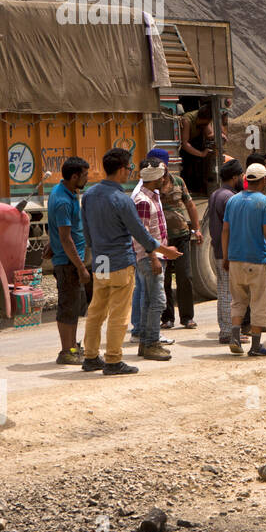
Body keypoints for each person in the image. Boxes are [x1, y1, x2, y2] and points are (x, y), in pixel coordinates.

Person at [81, 148, 180, 375]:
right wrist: (165, 250)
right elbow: (142, 235)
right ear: (121, 169)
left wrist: (97, 250)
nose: (130, 173)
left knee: (96, 310)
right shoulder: (121, 200)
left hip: (101, 260)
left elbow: (87, 232)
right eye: (129, 168)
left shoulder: (90, 195)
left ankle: (91, 356)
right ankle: (114, 360)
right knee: (119, 313)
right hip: (120, 262)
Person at [221, 163, 266, 356]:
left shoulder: (233, 201)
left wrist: (225, 257)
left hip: (235, 259)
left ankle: (235, 338)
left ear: (246, 179)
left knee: (238, 301)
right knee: (259, 302)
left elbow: (225, 230)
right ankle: (256, 346)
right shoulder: (264, 202)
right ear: (264, 180)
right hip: (257, 260)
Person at [148, 149, 201, 330]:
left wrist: (197, 229)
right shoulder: (150, 184)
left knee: (185, 276)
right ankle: (167, 318)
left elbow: (190, 204)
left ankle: (187, 318)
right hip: (161, 241)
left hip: (181, 236)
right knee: (164, 279)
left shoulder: (178, 181)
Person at [47, 156, 91, 365]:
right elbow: (66, 238)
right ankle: (67, 351)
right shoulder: (63, 200)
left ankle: (73, 347)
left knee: (73, 308)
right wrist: (81, 268)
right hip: (68, 263)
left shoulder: (65, 192)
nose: (87, 178)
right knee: (67, 308)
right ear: (74, 176)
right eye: (84, 175)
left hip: (69, 260)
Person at [133, 160, 173, 360]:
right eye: (162, 175)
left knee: (149, 301)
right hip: (151, 258)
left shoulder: (152, 197)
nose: (165, 179)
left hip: (156, 255)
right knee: (157, 302)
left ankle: (147, 343)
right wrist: (154, 258)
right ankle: (152, 343)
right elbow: (143, 233)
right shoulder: (143, 201)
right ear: (155, 178)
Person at [205, 159, 243, 345]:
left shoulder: (216, 194)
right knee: (230, 293)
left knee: (223, 292)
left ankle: (225, 330)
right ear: (235, 177)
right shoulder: (230, 198)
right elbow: (233, 228)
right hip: (228, 251)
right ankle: (229, 332)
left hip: (217, 249)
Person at [179, 104, 214, 194]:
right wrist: (201, 154)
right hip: (185, 150)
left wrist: (219, 135)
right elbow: (184, 144)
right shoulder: (187, 120)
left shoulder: (204, 121)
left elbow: (209, 134)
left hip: (195, 144)